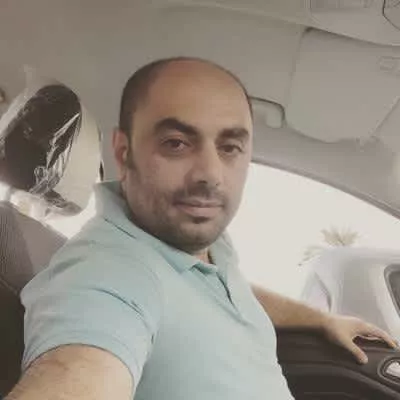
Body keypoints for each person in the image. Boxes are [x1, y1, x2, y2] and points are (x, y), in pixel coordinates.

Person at [6, 58, 397, 400]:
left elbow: (231, 291)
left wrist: (323, 320)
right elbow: (77, 368)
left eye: (229, 147)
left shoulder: (202, 248)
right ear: (124, 154)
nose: (210, 174)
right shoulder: (103, 275)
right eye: (176, 143)